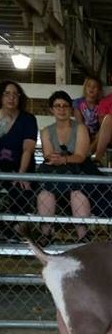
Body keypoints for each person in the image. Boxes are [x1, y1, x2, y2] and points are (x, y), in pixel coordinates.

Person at [36, 90, 93, 245]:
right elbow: (48, 155)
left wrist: (63, 159)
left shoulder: (80, 128)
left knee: (77, 195)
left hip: (78, 171)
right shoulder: (46, 131)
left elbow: (80, 156)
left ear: (70, 109)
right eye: (57, 106)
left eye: (65, 106)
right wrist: (57, 159)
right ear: (52, 109)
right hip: (55, 172)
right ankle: (46, 234)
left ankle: (83, 235)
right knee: (45, 195)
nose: (61, 109)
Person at [0, 80, 38, 235]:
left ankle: (15, 231)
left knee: (20, 189)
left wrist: (21, 173)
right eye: (7, 94)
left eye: (16, 94)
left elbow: (28, 149)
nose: (11, 98)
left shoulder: (28, 119)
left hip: (21, 165)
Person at [73, 76, 102, 154]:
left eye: (95, 87)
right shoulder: (78, 103)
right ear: (85, 88)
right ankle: (86, 154)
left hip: (96, 134)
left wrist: (96, 134)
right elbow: (79, 122)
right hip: (83, 131)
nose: (91, 88)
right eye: (89, 86)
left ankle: (89, 152)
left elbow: (102, 123)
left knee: (102, 132)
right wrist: (86, 132)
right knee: (82, 129)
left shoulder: (101, 104)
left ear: (99, 90)